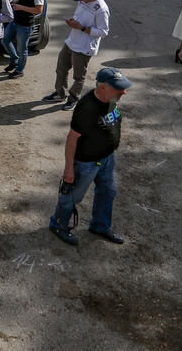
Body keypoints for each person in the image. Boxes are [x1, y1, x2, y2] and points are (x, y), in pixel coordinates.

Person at [48, 67, 132, 246]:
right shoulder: (87, 108)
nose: (123, 92)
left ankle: (100, 226)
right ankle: (58, 225)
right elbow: (72, 138)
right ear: (103, 87)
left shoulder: (109, 98)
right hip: (87, 163)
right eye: (119, 88)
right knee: (72, 197)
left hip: (107, 158)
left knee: (108, 192)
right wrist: (69, 168)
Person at [43, 0, 110, 111]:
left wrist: (82, 28)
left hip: (84, 47)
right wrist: (73, 21)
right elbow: (79, 16)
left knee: (78, 76)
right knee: (61, 69)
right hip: (71, 41)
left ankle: (73, 98)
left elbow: (103, 32)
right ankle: (60, 93)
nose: (80, 0)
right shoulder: (83, 1)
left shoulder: (101, 9)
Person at [2, 0, 46, 79]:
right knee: (5, 40)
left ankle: (19, 70)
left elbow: (38, 10)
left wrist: (20, 7)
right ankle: (14, 60)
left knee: (22, 49)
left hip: (25, 25)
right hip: (15, 21)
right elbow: (23, 1)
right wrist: (14, 2)